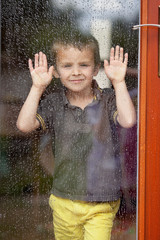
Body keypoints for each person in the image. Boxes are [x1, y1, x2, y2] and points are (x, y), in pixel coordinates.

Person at [17, 30, 136, 240]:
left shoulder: (107, 100)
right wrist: (37, 87)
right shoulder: (54, 103)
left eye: (84, 64)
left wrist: (118, 82)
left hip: (102, 201)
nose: (76, 72)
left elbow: (128, 120)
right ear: (55, 71)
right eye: (67, 66)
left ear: (96, 68)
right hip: (64, 200)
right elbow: (25, 125)